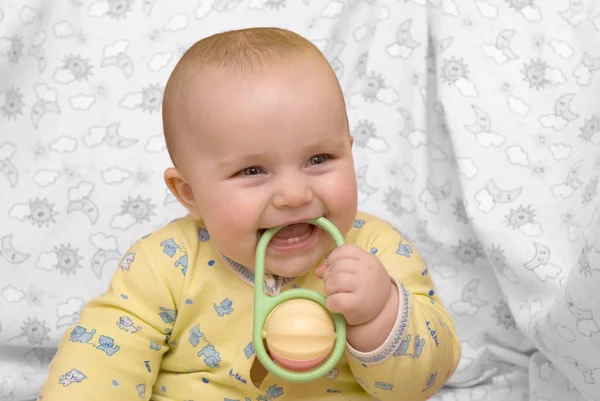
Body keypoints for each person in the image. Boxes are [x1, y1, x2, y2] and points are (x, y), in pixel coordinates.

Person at [39, 27, 461, 401]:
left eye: (319, 158)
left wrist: (380, 312)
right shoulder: (164, 263)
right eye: (252, 170)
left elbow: (423, 383)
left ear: (349, 150)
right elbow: (99, 365)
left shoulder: (377, 249)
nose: (294, 194)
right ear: (190, 194)